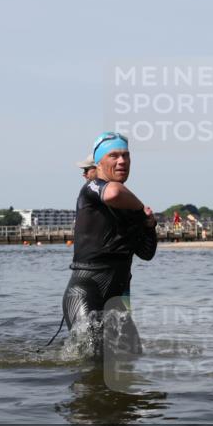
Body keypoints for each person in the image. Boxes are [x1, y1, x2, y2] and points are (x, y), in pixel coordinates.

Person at [63, 132, 157, 353]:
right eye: (114, 155)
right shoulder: (91, 188)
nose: (122, 161)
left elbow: (146, 253)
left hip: (119, 301)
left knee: (131, 358)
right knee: (92, 359)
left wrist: (149, 225)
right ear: (98, 163)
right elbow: (113, 192)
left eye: (126, 155)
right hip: (85, 293)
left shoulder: (129, 207)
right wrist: (140, 209)